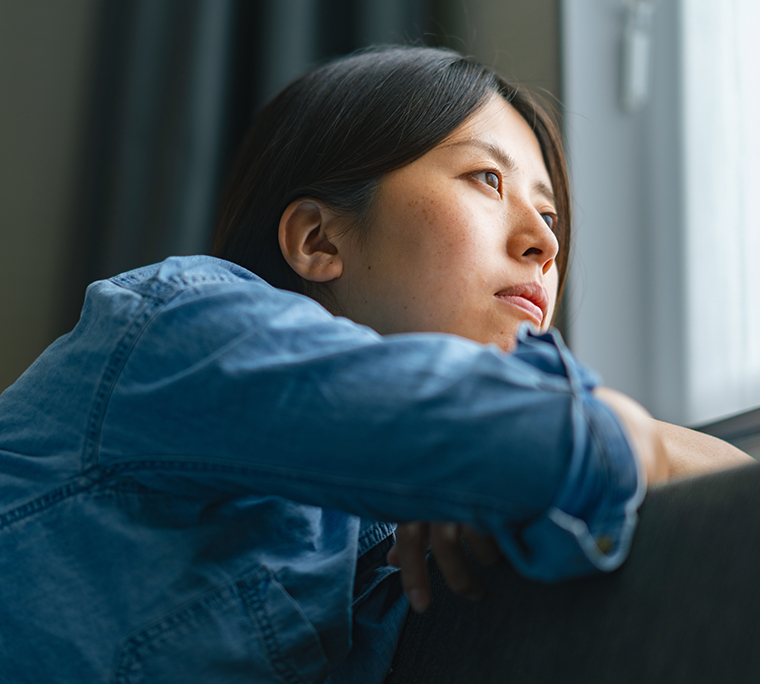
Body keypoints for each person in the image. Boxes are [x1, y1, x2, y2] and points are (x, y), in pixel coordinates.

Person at [0, 46, 750, 683]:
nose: (544, 244)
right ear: (320, 240)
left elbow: (728, 491)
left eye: (551, 217)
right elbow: (569, 445)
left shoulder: (393, 534)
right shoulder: (179, 323)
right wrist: (577, 437)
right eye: (486, 180)